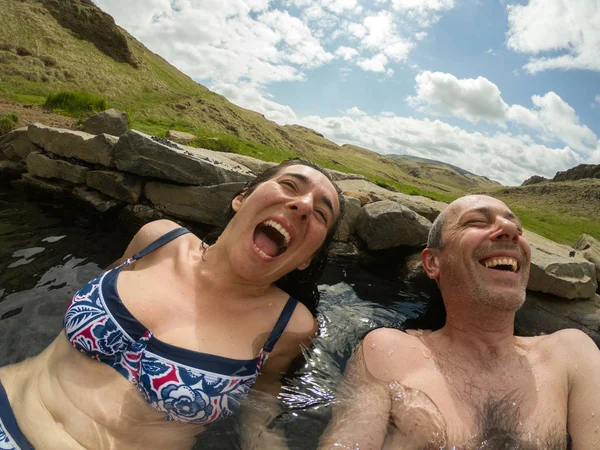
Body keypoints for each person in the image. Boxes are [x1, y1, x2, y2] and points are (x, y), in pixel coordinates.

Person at [0, 158, 344, 450]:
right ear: (242, 198)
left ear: (307, 259)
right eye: (290, 185)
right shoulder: (157, 239)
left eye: (321, 214)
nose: (303, 206)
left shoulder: (290, 325)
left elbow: (262, 407)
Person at [319, 194, 600, 450]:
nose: (512, 231)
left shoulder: (571, 354)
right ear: (432, 263)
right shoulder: (388, 351)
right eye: (477, 221)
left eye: (518, 229)